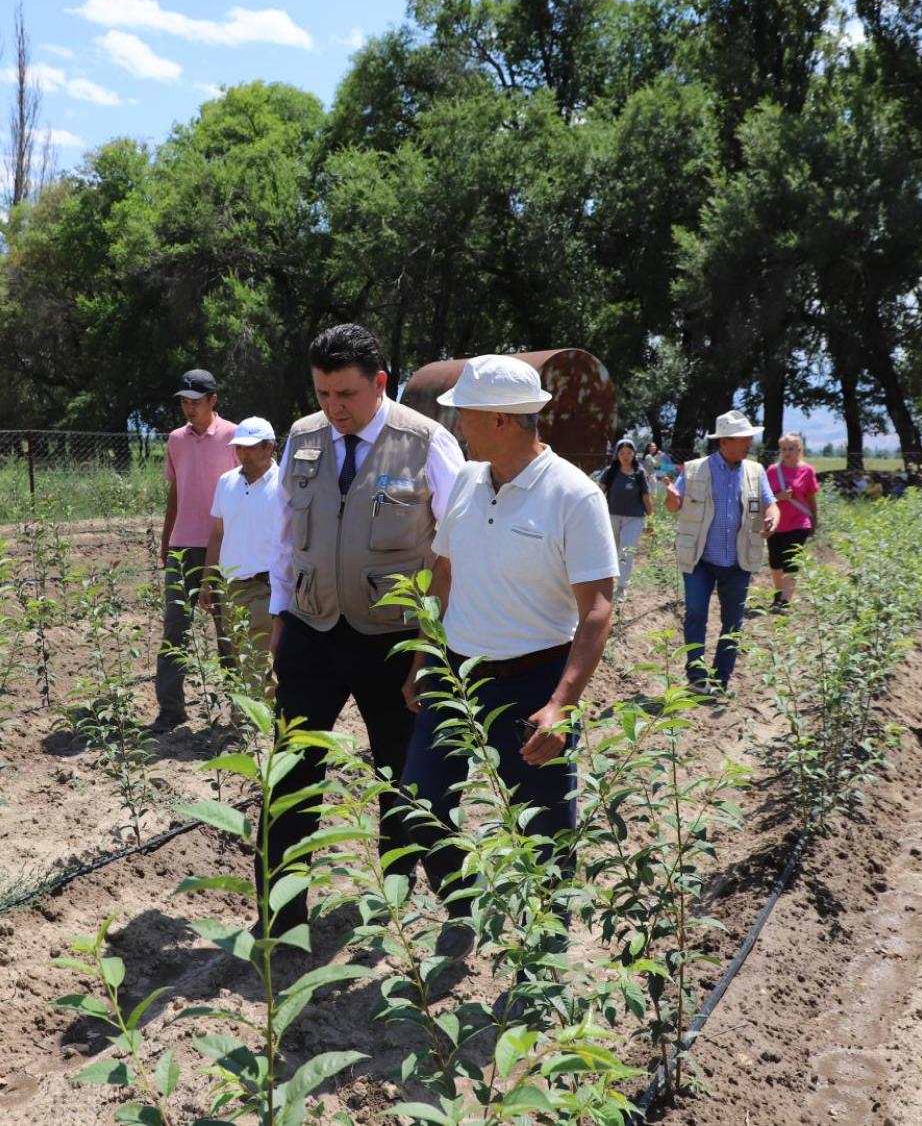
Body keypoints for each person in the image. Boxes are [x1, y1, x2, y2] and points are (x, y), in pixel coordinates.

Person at [401, 354, 618, 959]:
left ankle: (544, 948)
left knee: (543, 824)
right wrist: (424, 657)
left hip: (534, 681)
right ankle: (464, 906)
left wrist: (560, 706)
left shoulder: (574, 495)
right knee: (420, 803)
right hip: (457, 674)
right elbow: (442, 575)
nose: (456, 425)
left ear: (499, 418)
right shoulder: (468, 481)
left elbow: (597, 607)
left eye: (463, 415)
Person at [263, 323, 465, 942]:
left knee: (404, 780)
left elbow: (455, 553)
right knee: (290, 778)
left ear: (380, 382)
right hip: (311, 629)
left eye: (346, 394)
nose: (334, 409)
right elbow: (284, 539)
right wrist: (278, 624)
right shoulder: (301, 439)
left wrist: (430, 652)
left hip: (394, 641)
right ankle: (280, 918)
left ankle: (398, 907)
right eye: (323, 394)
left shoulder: (427, 443)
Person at [664, 410, 781, 695]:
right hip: (700, 560)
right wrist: (671, 496)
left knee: (733, 622)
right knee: (695, 614)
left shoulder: (755, 471)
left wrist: (773, 517)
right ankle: (696, 676)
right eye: (744, 438)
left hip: (738, 561)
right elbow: (673, 505)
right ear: (724, 442)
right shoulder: (694, 470)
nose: (749, 443)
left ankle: (720, 679)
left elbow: (770, 503)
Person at [151, 369, 237, 734]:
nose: (189, 408)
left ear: (213, 400)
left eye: (195, 402)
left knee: (229, 630)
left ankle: (240, 711)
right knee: (175, 628)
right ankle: (171, 710)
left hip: (225, 547)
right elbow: (175, 492)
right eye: (184, 402)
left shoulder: (234, 436)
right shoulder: (175, 440)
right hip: (183, 547)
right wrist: (167, 539)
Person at [201, 416, 280, 680]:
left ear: (269, 447)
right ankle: (245, 718)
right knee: (236, 656)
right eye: (239, 447)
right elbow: (217, 534)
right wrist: (206, 581)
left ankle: (257, 720)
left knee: (260, 661)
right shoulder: (226, 482)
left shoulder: (284, 485)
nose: (242, 454)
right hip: (231, 587)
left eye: (250, 447)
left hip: (266, 587)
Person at [765, 432, 819, 609]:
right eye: (783, 449)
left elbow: (811, 497)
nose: (787, 452)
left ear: (799, 449)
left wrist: (814, 519)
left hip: (799, 521)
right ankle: (778, 594)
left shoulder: (807, 470)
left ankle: (785, 602)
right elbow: (763, 497)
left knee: (791, 559)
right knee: (775, 561)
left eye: (791, 448)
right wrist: (778, 496)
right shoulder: (773, 471)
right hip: (776, 521)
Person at [599, 438, 653, 600]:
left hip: (634, 518)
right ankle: (607, 583)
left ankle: (622, 587)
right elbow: (598, 493)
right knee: (611, 551)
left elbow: (646, 497)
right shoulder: (611, 472)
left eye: (629, 453)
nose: (626, 456)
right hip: (611, 516)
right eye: (622, 453)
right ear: (617, 454)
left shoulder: (640, 473)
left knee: (626, 552)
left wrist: (651, 519)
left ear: (634, 454)